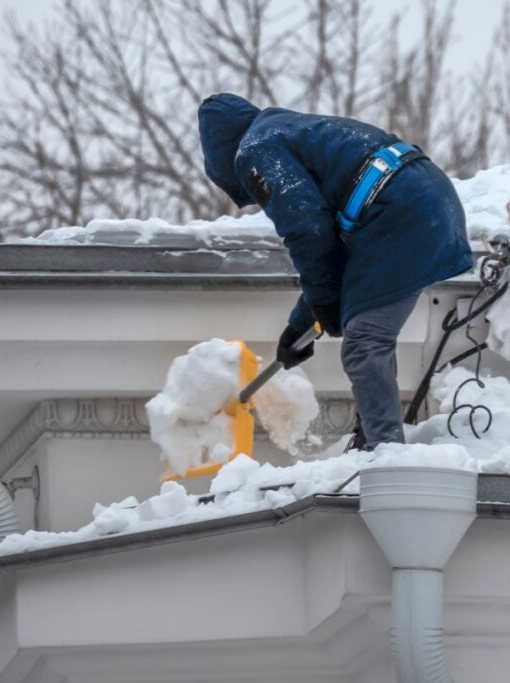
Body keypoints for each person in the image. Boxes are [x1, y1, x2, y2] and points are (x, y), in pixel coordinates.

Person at [198, 93, 472, 449]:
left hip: (398, 211)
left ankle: (385, 452)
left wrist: (325, 301)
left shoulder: (255, 148)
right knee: (366, 334)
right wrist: (298, 329)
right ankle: (373, 438)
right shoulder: (288, 131)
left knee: (365, 341)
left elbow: (308, 231)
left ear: (221, 157)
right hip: (422, 197)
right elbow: (330, 253)